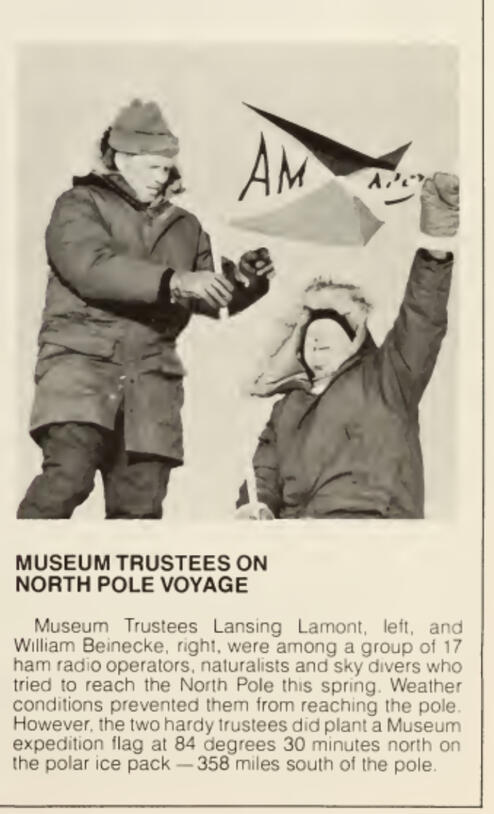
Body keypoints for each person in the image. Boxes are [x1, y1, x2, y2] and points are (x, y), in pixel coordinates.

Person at [18, 99, 274, 519]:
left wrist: (247, 279)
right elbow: (89, 267)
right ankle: (13, 568)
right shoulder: (79, 204)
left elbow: (212, 297)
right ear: (121, 158)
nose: (166, 176)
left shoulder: (187, 227)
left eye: (168, 167)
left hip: (153, 391)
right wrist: (173, 280)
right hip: (81, 372)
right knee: (67, 480)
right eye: (155, 166)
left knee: (140, 514)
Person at [236, 172, 459, 520]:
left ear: (354, 341)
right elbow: (262, 474)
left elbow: (421, 320)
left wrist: (435, 243)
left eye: (328, 332)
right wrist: (257, 506)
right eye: (310, 336)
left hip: (371, 530)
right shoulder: (286, 409)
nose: (317, 339)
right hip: (302, 542)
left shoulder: (387, 380)